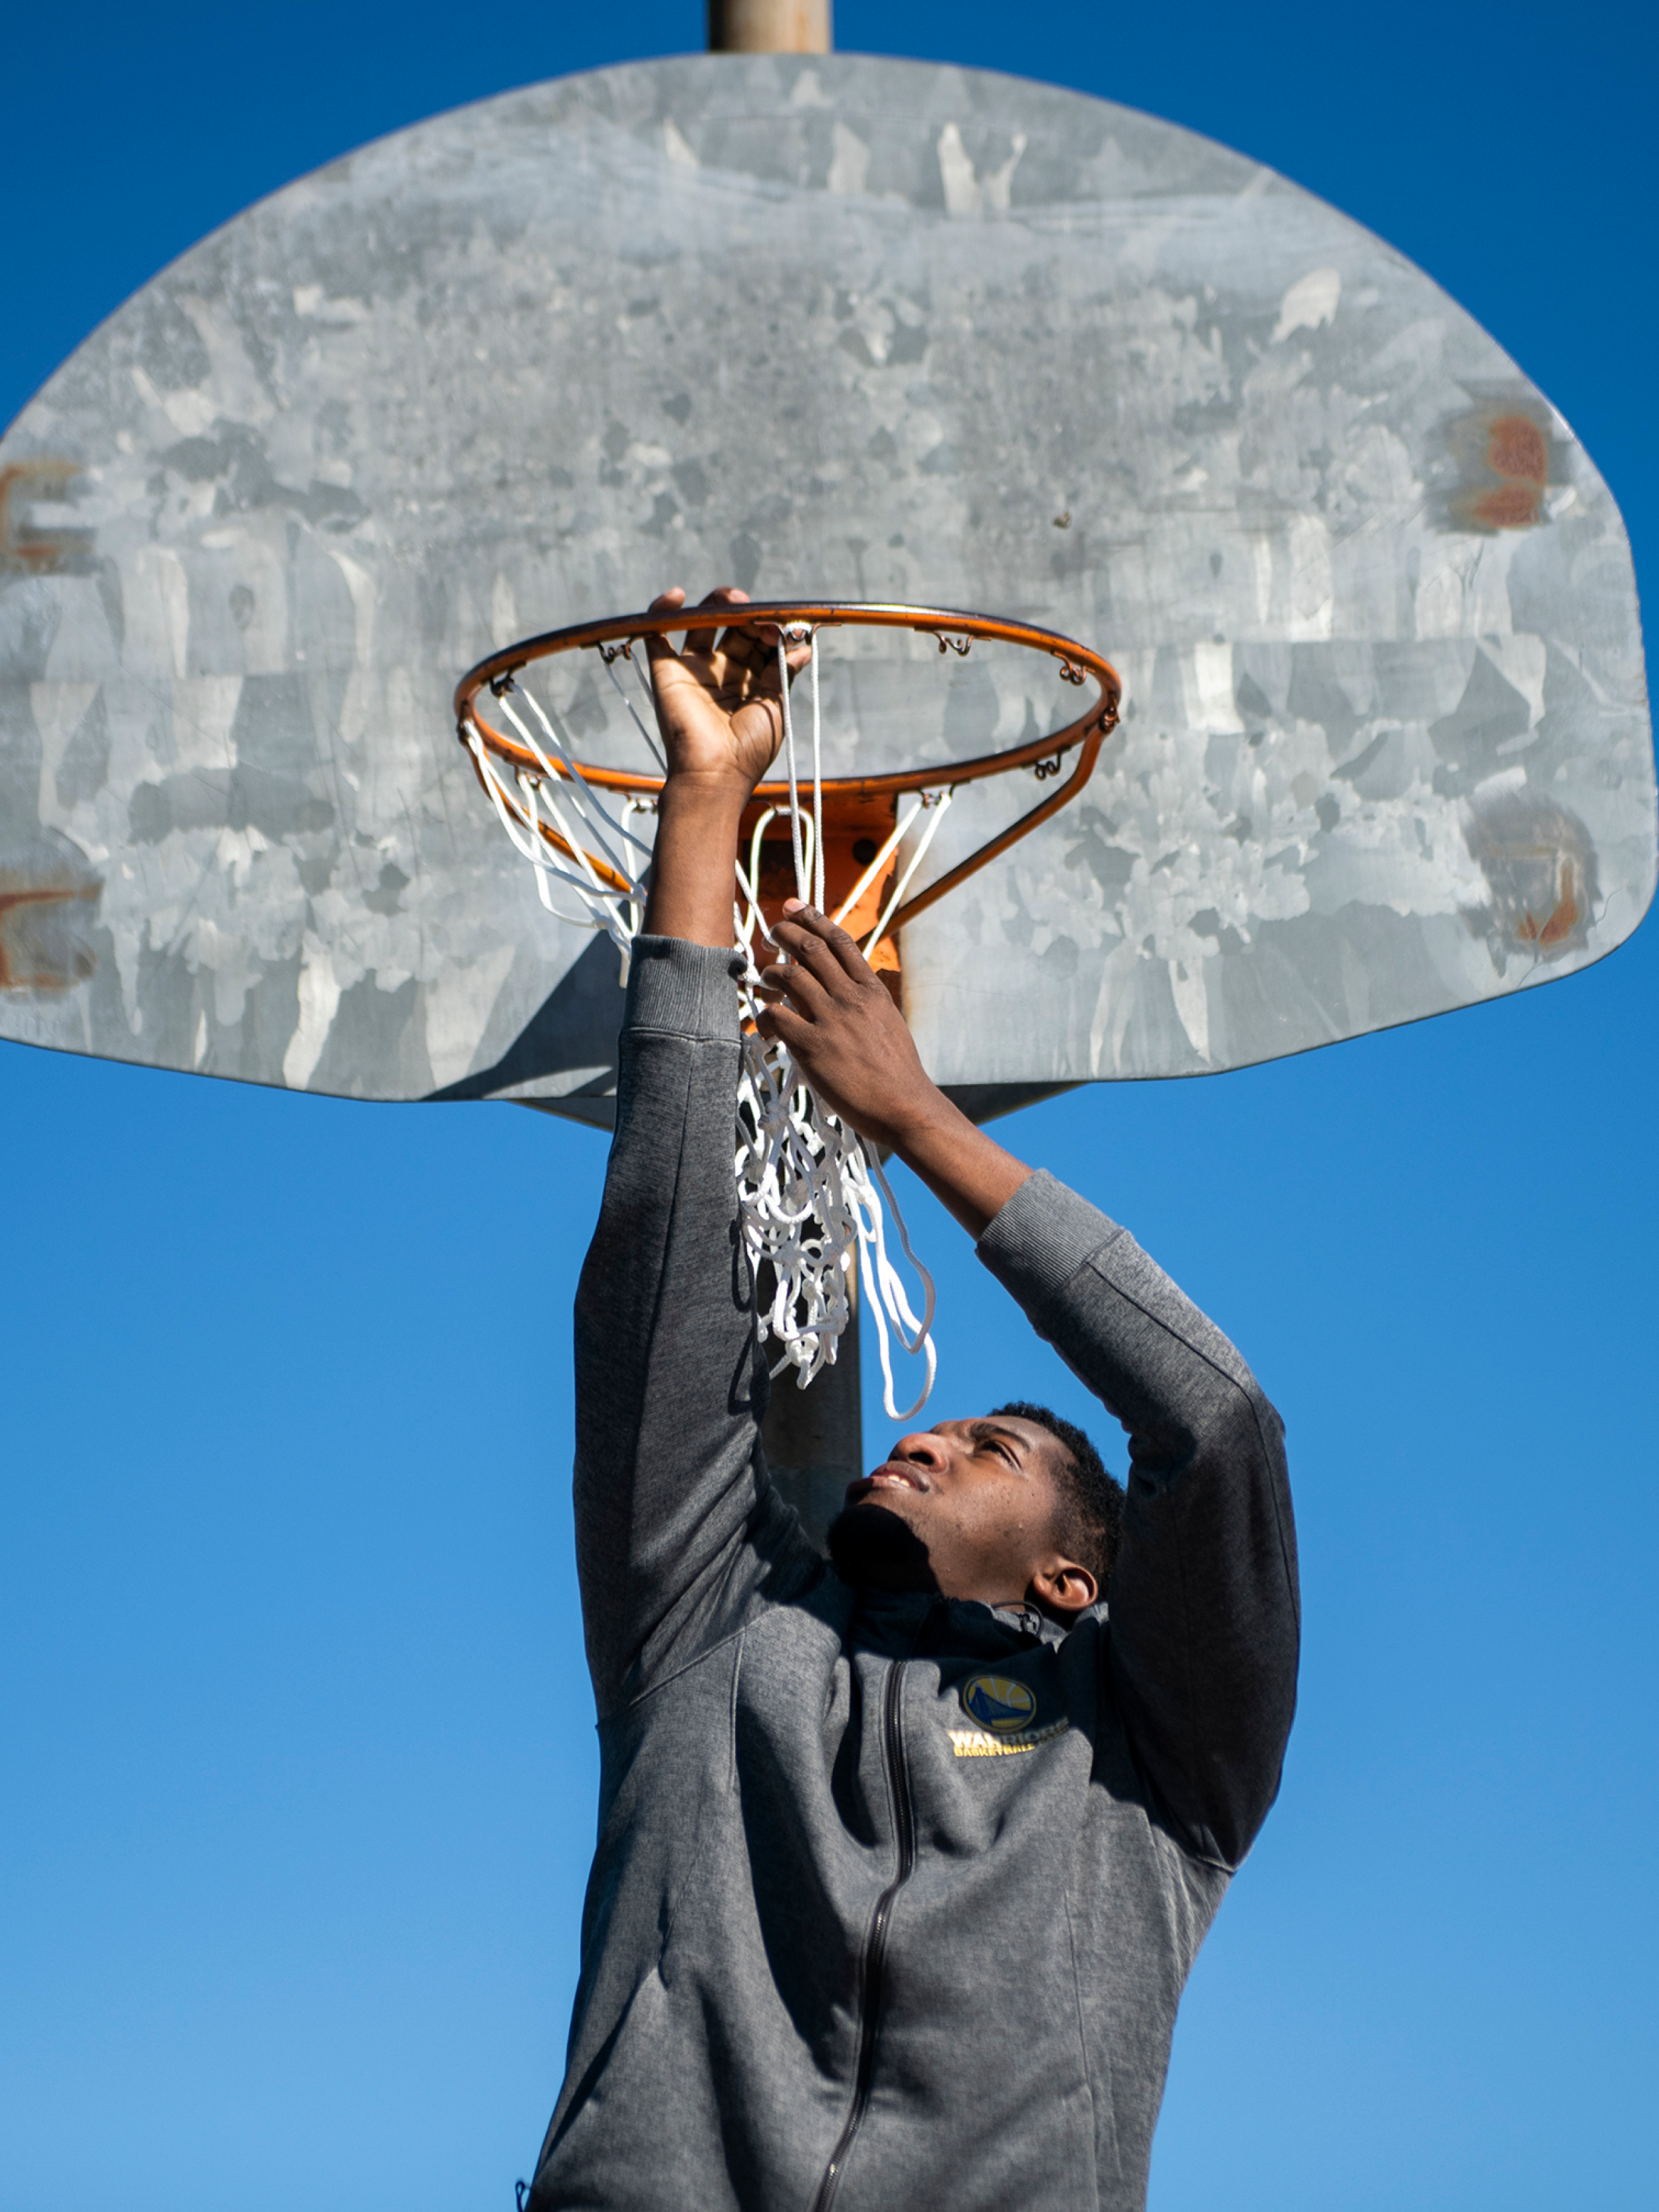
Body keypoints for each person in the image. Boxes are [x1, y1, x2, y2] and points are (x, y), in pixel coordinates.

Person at [523, 589, 1300, 2212]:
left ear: (1078, 1577)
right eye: (945, 1424)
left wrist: (919, 1119)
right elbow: (660, 1261)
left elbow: (1217, 1428)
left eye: (994, 1444)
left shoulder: (1151, 1757)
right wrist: (708, 797)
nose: (923, 1433)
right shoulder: (708, 1630)